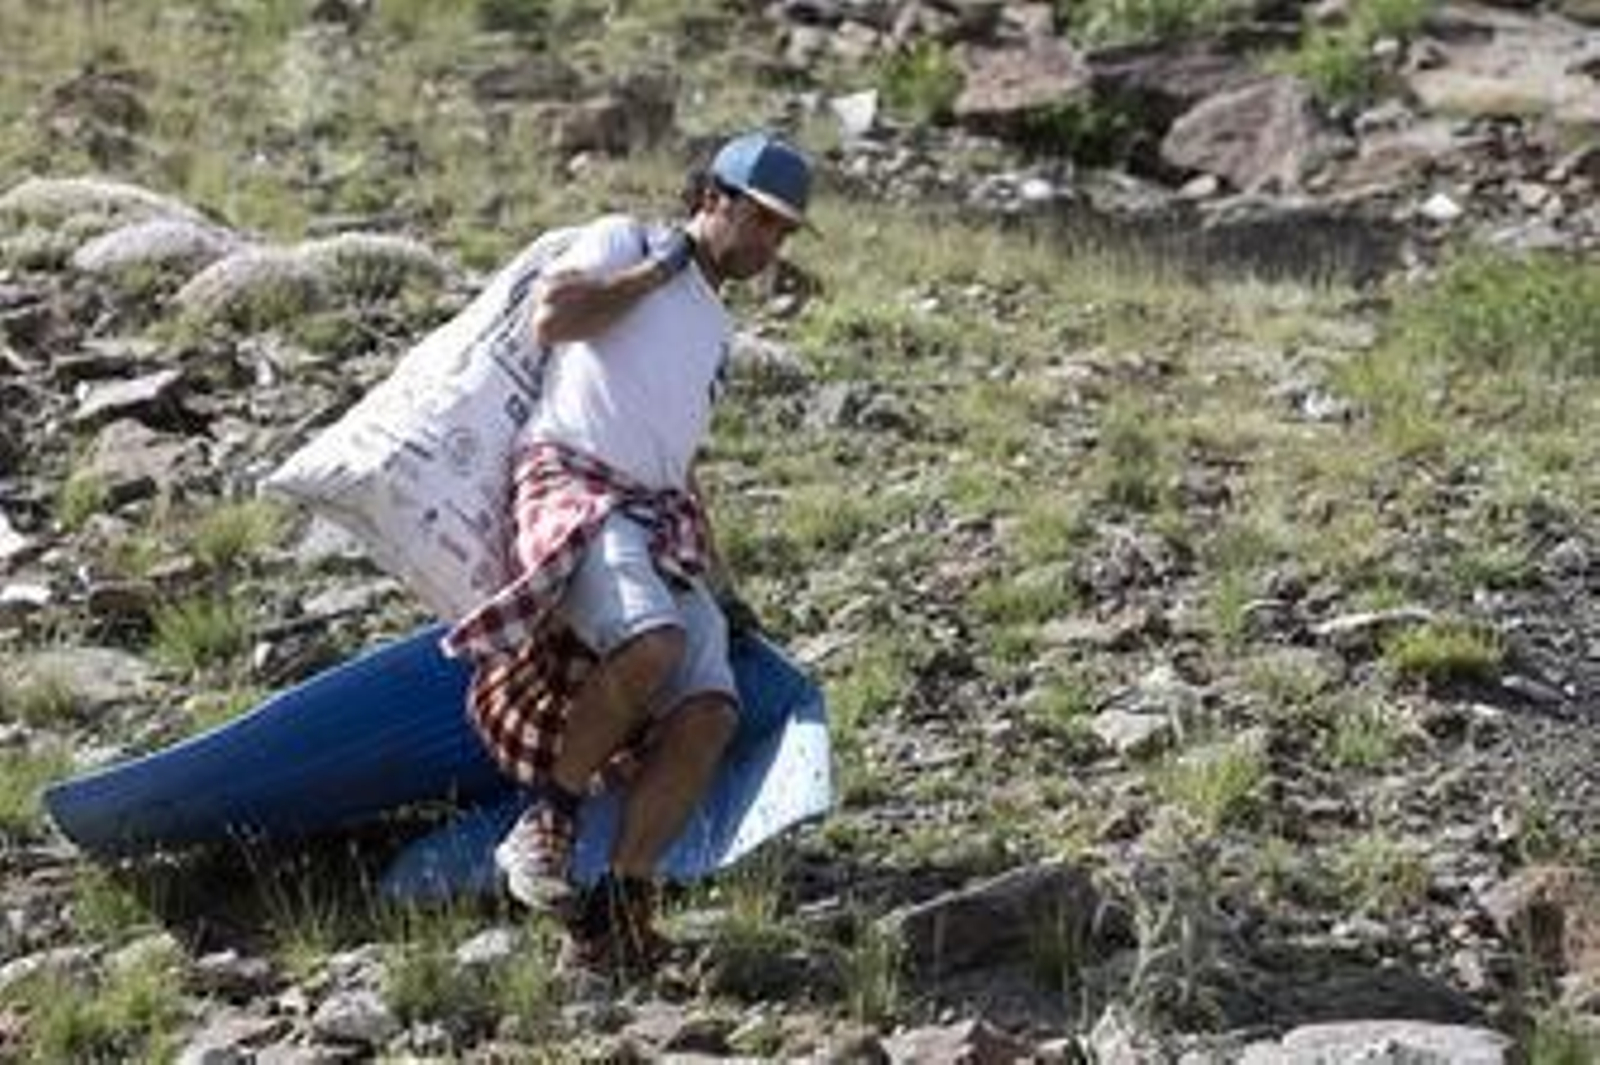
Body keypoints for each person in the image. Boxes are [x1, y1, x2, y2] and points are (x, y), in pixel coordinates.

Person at [442, 131, 812, 970]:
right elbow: (556, 315)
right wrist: (662, 267)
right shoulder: (627, 241)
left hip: (656, 514)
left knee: (710, 708)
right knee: (650, 642)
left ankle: (617, 908)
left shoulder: (716, 330)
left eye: (785, 233)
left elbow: (679, 464)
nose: (770, 246)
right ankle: (547, 821)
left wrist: (725, 585)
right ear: (713, 197)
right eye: (762, 221)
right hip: (572, 482)